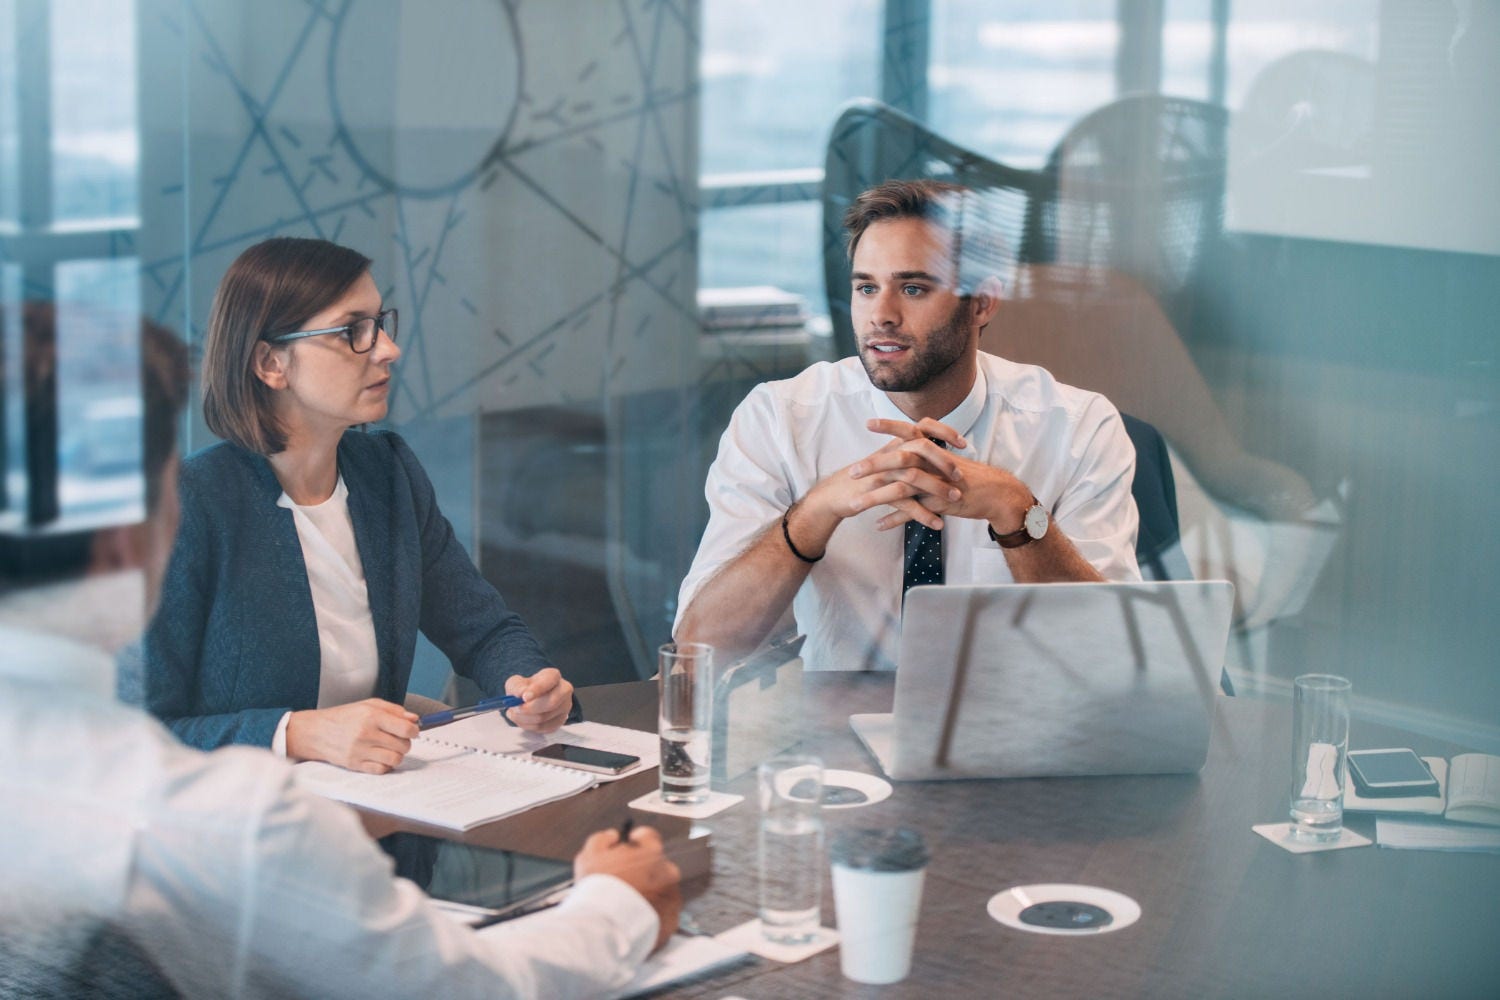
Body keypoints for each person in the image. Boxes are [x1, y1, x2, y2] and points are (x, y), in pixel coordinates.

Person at [2, 625, 682, 999]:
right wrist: (616, 904)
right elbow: (462, 990)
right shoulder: (231, 820)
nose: (385, 356)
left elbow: (485, 624)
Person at [145, 237, 575, 772]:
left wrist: (528, 684)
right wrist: (296, 732)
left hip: (383, 815)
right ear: (270, 363)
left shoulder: (387, 473)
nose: (388, 348)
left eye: (380, 322)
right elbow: (137, 731)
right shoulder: (188, 504)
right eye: (353, 331)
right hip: (243, 833)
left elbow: (483, 630)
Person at [675, 179, 1141, 670]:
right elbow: (697, 651)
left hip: (1014, 730)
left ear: (982, 301)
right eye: (866, 287)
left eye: (913, 288)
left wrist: (1017, 512)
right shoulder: (777, 420)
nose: (881, 315)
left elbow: (1111, 655)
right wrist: (811, 516)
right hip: (831, 731)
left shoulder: (1078, 427)